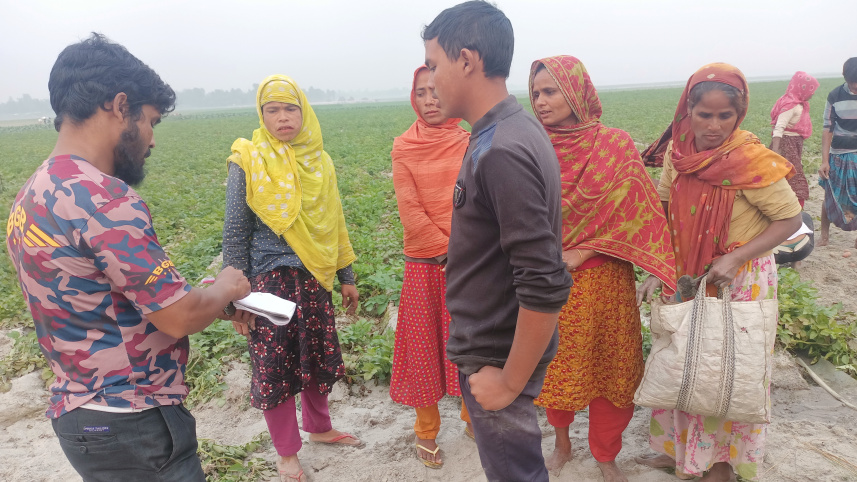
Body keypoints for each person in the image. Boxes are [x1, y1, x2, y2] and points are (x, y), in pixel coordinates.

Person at [4, 33, 252, 481]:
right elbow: (177, 316)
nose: (152, 140)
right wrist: (226, 286)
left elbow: (105, 300)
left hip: (80, 419)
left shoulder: (31, 196)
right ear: (120, 107)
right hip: (132, 419)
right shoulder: (104, 199)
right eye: (152, 120)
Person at [422, 2, 574, 481]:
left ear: (467, 60)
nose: (430, 80)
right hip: (495, 346)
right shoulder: (509, 130)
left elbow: (546, 281)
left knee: (516, 474)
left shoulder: (502, 148)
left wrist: (507, 381)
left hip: (495, 355)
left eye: (433, 65)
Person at [636, 63, 802, 481]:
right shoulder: (679, 152)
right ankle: (677, 450)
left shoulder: (750, 161)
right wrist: (658, 268)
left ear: (739, 113)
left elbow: (789, 220)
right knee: (685, 363)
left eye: (724, 116)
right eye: (703, 115)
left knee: (728, 367)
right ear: (687, 110)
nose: (713, 126)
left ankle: (721, 462)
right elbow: (666, 209)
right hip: (691, 273)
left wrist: (735, 257)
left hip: (738, 279)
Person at [528, 55, 677, 482]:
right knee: (554, 365)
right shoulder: (532, 145)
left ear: (576, 92)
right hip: (550, 278)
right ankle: (561, 442)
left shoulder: (614, 144)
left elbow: (636, 213)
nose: (540, 101)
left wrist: (585, 249)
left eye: (551, 91)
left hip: (607, 280)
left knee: (611, 367)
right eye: (535, 92)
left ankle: (605, 453)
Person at [222, 74, 361, 482]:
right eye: (273, 110)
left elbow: (333, 222)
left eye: (290, 108)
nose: (283, 117)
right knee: (274, 367)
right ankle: (286, 454)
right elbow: (234, 234)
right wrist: (233, 301)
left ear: (303, 111)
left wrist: (345, 274)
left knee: (317, 355)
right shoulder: (247, 160)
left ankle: (319, 428)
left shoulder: (320, 161)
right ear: (261, 114)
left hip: (315, 276)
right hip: (267, 284)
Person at [389, 65, 472, 469]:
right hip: (426, 266)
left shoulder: (470, 140)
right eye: (421, 93)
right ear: (413, 97)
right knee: (424, 349)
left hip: (471, 261)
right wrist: (445, 251)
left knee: (473, 342)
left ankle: (473, 416)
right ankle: (426, 431)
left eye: (436, 92)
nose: (429, 100)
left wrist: (467, 250)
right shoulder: (404, 146)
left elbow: (479, 202)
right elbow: (411, 210)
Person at [819, 58, 857, 248]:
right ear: (845, 78)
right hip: (839, 154)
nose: (856, 87)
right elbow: (827, 128)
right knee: (830, 194)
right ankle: (824, 236)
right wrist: (825, 160)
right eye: (853, 83)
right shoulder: (835, 95)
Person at [769, 71, 820, 208]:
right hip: (786, 146)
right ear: (802, 88)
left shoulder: (799, 104)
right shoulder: (790, 105)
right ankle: (796, 209)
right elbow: (779, 128)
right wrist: (775, 151)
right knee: (794, 179)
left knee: (788, 178)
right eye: (811, 90)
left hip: (793, 146)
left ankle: (791, 208)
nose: (813, 93)